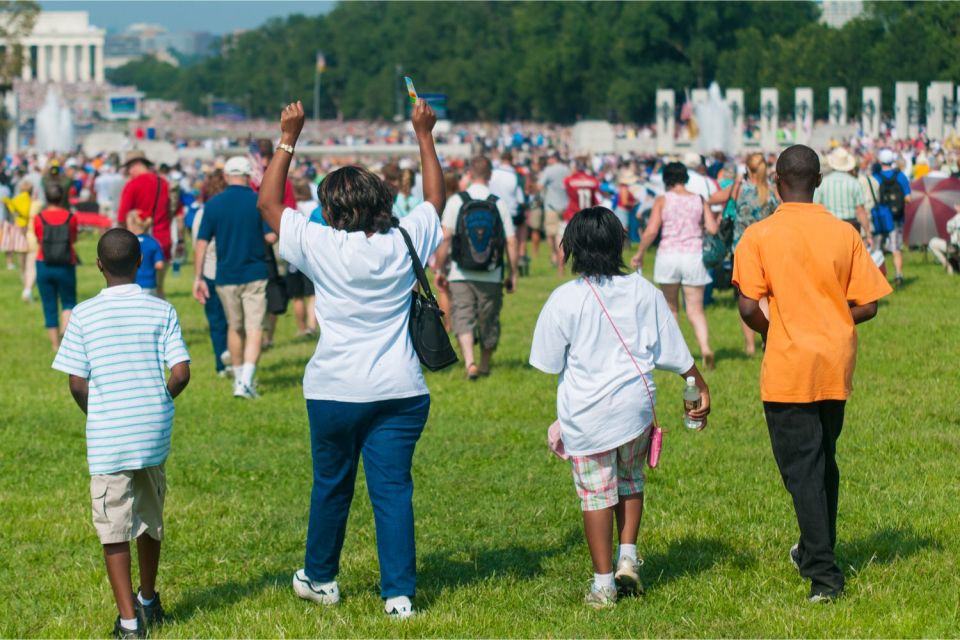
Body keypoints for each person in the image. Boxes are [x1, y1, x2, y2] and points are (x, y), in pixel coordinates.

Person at [258, 99, 444, 619]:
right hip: (400, 388)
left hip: (334, 387)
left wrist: (288, 137)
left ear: (332, 210)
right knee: (392, 491)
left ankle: (320, 577)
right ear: (383, 201)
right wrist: (423, 135)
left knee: (331, 485)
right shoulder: (406, 240)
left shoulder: (322, 245)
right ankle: (400, 594)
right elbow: (435, 197)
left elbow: (269, 205)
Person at [733, 145, 892, 604]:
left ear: (777, 184)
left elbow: (748, 305)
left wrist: (776, 329)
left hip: (788, 363)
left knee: (801, 469)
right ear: (818, 181)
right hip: (835, 361)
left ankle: (823, 574)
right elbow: (869, 304)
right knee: (822, 460)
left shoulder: (759, 234)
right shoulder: (843, 233)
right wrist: (832, 320)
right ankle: (812, 549)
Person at [530, 206, 711, 609]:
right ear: (618, 244)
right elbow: (675, 351)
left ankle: (603, 584)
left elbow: (547, 361)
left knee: (596, 495)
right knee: (631, 482)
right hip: (636, 409)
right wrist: (699, 384)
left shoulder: (564, 299)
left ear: (572, 248)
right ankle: (627, 556)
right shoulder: (643, 290)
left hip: (587, 413)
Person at [52, 228, 190, 639]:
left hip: (109, 435)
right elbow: (180, 372)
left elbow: (77, 382)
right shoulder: (161, 309)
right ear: (140, 262)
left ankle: (129, 622)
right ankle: (150, 599)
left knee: (114, 525)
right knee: (150, 518)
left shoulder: (84, 314)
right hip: (152, 433)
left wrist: (98, 411)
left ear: (98, 265)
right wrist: (159, 401)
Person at [192, 156, 277, 399]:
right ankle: (246, 381)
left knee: (234, 327)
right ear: (249, 176)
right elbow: (270, 237)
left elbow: (201, 241)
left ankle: (239, 379)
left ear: (227, 176)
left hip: (225, 274)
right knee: (254, 328)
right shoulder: (257, 201)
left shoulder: (214, 204)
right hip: (254, 271)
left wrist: (197, 276)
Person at [433, 156, 519, 380]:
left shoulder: (456, 201)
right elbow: (511, 240)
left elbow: (445, 237)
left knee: (463, 315)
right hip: (491, 272)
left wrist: (439, 268)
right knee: (489, 318)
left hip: (460, 271)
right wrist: (513, 272)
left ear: (469, 174)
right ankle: (484, 364)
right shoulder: (497, 203)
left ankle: (469, 362)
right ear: (490, 175)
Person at [632, 162, 718, 369]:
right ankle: (705, 347)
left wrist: (640, 252)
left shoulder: (662, 200)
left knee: (671, 309)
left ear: (666, 179)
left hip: (668, 256)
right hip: (694, 256)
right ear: (685, 178)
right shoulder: (699, 199)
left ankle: (674, 354)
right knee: (696, 310)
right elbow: (713, 229)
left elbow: (652, 230)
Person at [708, 152, 779, 356]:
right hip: (769, 249)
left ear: (748, 169)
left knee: (747, 297)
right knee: (766, 297)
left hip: (743, 250)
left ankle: (749, 346)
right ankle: (767, 337)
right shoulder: (773, 192)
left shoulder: (739, 189)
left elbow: (712, 199)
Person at [190, 170, 231, 377]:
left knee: (217, 322)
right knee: (234, 320)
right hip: (231, 269)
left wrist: (197, 276)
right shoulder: (233, 210)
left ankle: (221, 363)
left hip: (210, 270)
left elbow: (198, 245)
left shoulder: (202, 213)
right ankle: (232, 357)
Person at [117, 151, 172, 298]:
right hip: (162, 239)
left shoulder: (132, 185)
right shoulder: (164, 183)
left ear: (135, 165)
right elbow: (172, 211)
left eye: (128, 168)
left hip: (138, 244)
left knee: (135, 291)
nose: (128, 173)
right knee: (158, 289)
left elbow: (122, 217)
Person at [34, 182, 79, 351]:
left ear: (46, 198)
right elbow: (73, 239)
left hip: (43, 262)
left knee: (49, 304)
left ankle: (54, 345)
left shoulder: (39, 218)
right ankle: (65, 336)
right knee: (68, 301)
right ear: (63, 198)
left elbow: (39, 238)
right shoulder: (70, 217)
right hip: (66, 263)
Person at [872, 149, 912, 288]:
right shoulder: (901, 176)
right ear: (892, 161)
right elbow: (908, 197)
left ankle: (875, 278)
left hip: (880, 218)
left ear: (880, 161)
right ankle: (899, 275)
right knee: (896, 248)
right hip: (896, 217)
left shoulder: (875, 177)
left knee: (877, 248)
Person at [814, 148, 872, 238]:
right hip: (850, 225)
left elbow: (817, 206)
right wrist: (868, 232)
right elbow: (861, 211)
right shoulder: (854, 182)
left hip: (829, 224)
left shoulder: (823, 183)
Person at [559, 158, 601, 275]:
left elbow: (565, 192)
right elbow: (596, 198)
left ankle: (561, 271)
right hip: (588, 216)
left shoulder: (569, 180)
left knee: (563, 242)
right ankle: (590, 268)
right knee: (589, 244)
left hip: (572, 214)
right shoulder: (593, 180)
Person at [289, 177, 319, 337]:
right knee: (312, 294)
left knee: (297, 295)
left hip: (294, 254)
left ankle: (301, 328)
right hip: (312, 254)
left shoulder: (293, 208)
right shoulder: (316, 207)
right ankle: (311, 326)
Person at [536, 151, 570, 269]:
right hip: (565, 205)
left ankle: (555, 255)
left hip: (551, 205)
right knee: (562, 233)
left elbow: (539, 186)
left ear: (553, 158)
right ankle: (563, 255)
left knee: (551, 233)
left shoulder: (548, 170)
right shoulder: (566, 169)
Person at [2, 179, 33, 301]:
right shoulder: (29, 200)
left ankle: (25, 286)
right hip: (28, 231)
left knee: (23, 264)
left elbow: (12, 207)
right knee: (28, 263)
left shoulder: (18, 199)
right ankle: (27, 288)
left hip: (19, 230)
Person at [928, 204, 960, 274]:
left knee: (932, 243)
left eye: (957, 205)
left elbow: (949, 230)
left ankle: (949, 268)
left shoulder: (955, 219)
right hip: (955, 247)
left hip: (956, 248)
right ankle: (954, 264)